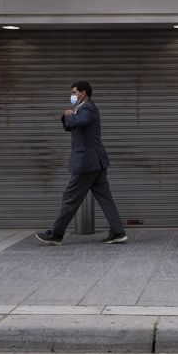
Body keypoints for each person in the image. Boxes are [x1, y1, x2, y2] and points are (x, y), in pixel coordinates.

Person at [36, 81, 128, 245]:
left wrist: (69, 114)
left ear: (83, 93)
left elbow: (79, 122)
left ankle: (56, 234)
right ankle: (118, 232)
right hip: (95, 162)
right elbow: (70, 126)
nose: (72, 95)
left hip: (87, 162)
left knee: (70, 198)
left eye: (74, 92)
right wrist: (70, 115)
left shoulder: (88, 107)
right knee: (105, 198)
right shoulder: (82, 108)